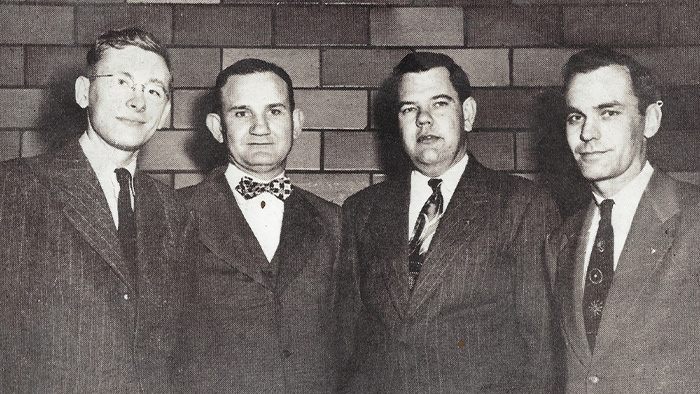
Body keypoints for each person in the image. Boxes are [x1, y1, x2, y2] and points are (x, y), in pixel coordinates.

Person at [337, 52, 561, 393]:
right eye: (409, 109)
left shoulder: (522, 204)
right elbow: (349, 348)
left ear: (467, 113)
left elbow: (542, 352)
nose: (424, 120)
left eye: (439, 104)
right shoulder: (361, 211)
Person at [0, 27, 189, 392]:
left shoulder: (174, 212)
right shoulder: (15, 187)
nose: (139, 101)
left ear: (164, 112)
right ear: (84, 92)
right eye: (122, 82)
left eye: (154, 90)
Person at [180, 58, 341, 393]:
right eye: (242, 113)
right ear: (216, 126)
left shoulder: (334, 222)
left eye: (275, 111)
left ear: (297, 123)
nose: (260, 127)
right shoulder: (175, 214)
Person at [548, 48, 700, 392]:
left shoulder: (695, 220)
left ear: (650, 121)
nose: (588, 133)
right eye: (576, 117)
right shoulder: (560, 240)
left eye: (608, 113)